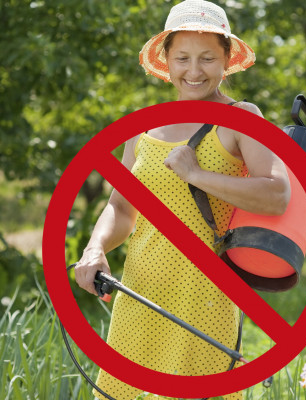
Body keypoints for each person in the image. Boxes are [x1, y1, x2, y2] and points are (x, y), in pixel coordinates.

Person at [72, 1, 290, 398]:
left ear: (226, 59)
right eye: (183, 58)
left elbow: (277, 193)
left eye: (207, 58)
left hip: (204, 300)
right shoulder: (144, 127)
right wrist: (95, 248)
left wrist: (197, 175)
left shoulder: (242, 116)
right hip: (140, 295)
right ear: (166, 61)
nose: (194, 71)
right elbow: (120, 208)